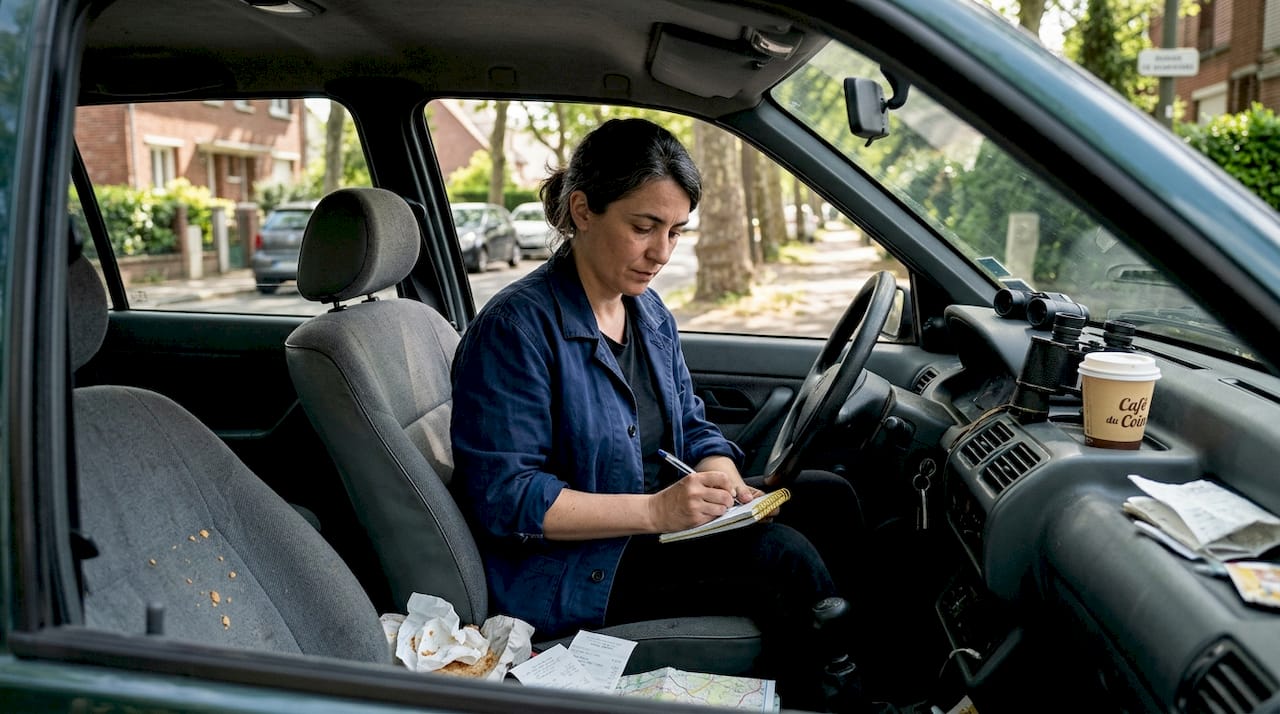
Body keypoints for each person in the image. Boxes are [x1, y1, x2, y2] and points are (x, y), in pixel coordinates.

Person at [450, 118, 860, 710]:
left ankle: (867, 669)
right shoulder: (516, 329)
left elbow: (691, 424)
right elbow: (506, 497)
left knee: (830, 498)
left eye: (676, 232)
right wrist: (657, 509)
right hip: (580, 564)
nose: (661, 253)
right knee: (784, 559)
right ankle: (837, 700)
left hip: (654, 525)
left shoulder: (647, 312)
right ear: (583, 210)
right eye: (644, 227)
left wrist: (718, 470)